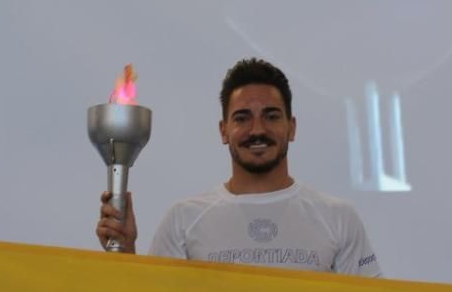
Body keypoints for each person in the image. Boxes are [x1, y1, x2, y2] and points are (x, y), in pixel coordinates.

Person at [96, 58, 381, 276]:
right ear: (223, 131)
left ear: (291, 127)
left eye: (271, 116)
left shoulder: (338, 219)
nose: (257, 130)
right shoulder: (183, 221)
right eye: (242, 118)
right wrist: (125, 251)